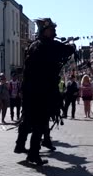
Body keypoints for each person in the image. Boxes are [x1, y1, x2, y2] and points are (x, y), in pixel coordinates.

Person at [14, 17, 75, 165]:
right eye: (51, 29)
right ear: (44, 31)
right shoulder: (46, 45)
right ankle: (33, 154)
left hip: (30, 90)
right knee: (40, 122)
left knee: (28, 118)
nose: (54, 32)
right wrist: (72, 46)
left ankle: (20, 145)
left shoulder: (35, 45)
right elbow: (64, 50)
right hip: (41, 91)